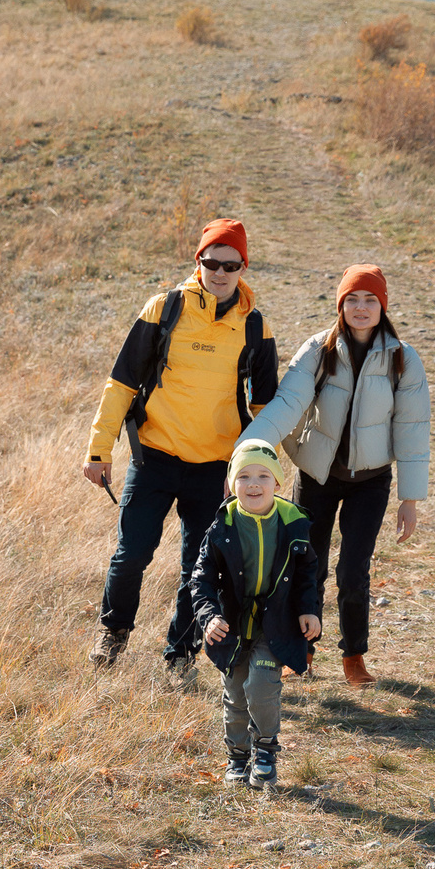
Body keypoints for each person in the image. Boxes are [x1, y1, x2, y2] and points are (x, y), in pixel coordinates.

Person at [83, 218, 281, 670]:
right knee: (131, 553)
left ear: (243, 267)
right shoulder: (164, 309)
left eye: (231, 264)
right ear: (199, 261)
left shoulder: (255, 327)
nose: (221, 272)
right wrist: (99, 450)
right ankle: (112, 634)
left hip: (215, 467)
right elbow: (121, 384)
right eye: (212, 261)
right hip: (154, 456)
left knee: (200, 567)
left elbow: (268, 405)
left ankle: (180, 657)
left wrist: (253, 468)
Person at [242, 263, 431, 688]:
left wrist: (410, 499)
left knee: (353, 570)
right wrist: (250, 448)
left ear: (382, 306)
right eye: (352, 300)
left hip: (371, 479)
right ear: (340, 304)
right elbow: (288, 403)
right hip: (316, 476)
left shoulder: (403, 358)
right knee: (308, 565)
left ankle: (354, 657)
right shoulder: (318, 349)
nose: (360, 308)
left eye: (370, 300)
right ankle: (301, 651)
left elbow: (413, 431)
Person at [187, 440, 322, 789]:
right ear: (232, 484)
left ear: (277, 483)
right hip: (231, 624)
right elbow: (200, 578)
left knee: (262, 686)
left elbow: (309, 575)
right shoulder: (222, 527)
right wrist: (209, 617)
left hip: (274, 623)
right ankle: (237, 755)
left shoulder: (294, 525)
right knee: (235, 694)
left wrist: (309, 610)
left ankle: (264, 751)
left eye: (264, 475)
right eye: (243, 476)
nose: (254, 484)